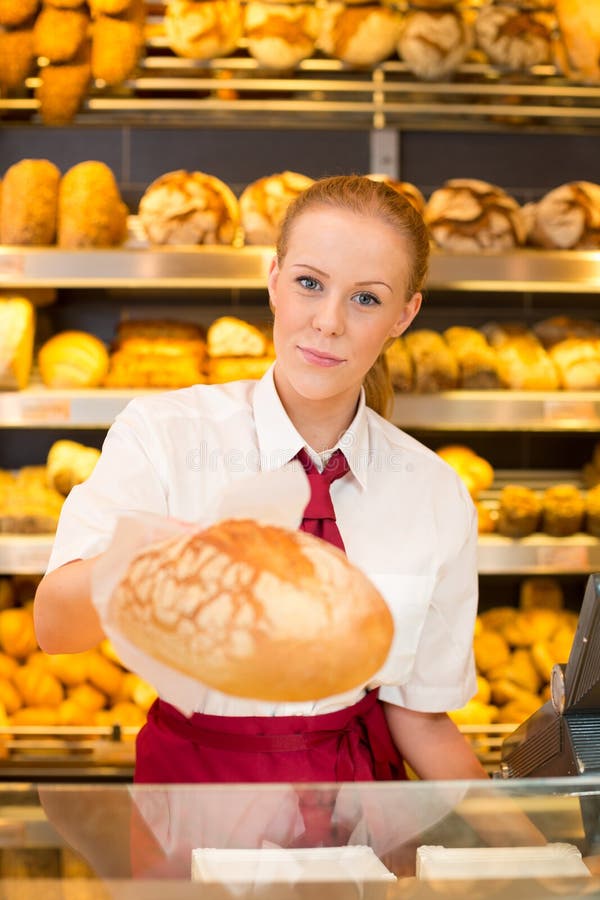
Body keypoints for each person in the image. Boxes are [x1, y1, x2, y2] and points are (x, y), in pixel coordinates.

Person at [34, 174, 488, 787]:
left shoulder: (433, 493)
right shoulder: (165, 435)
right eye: (309, 283)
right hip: (190, 802)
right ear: (273, 280)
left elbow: (421, 721)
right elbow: (56, 629)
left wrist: (534, 855)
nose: (328, 321)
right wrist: (173, 550)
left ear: (404, 315)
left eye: (366, 298)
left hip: (361, 809)